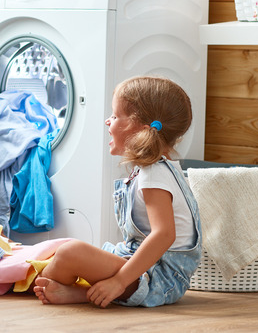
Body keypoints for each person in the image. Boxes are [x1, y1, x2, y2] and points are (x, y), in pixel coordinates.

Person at [32, 76, 202, 308]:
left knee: (69, 253)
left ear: (138, 128)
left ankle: (29, 283)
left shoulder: (154, 173)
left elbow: (164, 235)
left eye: (114, 116)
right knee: (63, 251)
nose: (107, 121)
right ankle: (79, 294)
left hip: (160, 278)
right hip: (144, 266)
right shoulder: (153, 169)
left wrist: (120, 281)